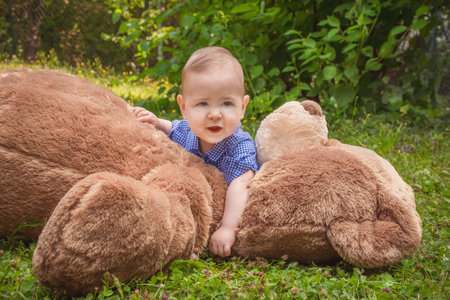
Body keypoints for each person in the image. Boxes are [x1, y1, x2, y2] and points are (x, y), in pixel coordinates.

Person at [131, 46, 259, 257]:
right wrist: (156, 122)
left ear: (243, 107)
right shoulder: (188, 131)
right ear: (184, 107)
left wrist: (228, 227)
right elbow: (172, 128)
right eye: (202, 104)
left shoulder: (239, 145)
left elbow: (241, 183)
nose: (215, 114)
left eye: (227, 103)